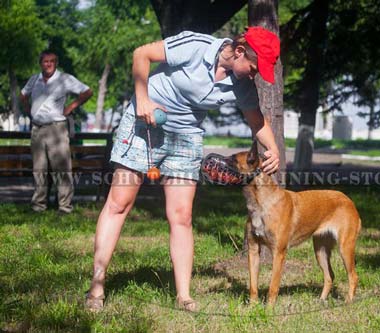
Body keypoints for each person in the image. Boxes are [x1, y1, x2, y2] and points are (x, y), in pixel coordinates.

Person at [85, 26, 281, 312]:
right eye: (253, 67)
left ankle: (184, 296)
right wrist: (142, 98)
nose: (254, 74)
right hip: (144, 125)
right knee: (119, 203)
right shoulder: (195, 46)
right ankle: (97, 287)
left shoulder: (242, 85)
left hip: (186, 134)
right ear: (239, 52)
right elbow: (142, 54)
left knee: (182, 215)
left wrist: (273, 148)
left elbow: (256, 121)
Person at [20, 50, 93, 214]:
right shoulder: (34, 79)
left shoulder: (64, 79)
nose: (49, 64)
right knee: (39, 169)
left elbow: (87, 91)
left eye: (52, 61)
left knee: (61, 168)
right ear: (41, 63)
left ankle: (64, 206)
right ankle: (39, 205)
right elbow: (23, 95)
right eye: (46, 61)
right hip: (37, 128)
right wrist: (28, 112)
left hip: (57, 128)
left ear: (56, 63)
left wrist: (71, 107)